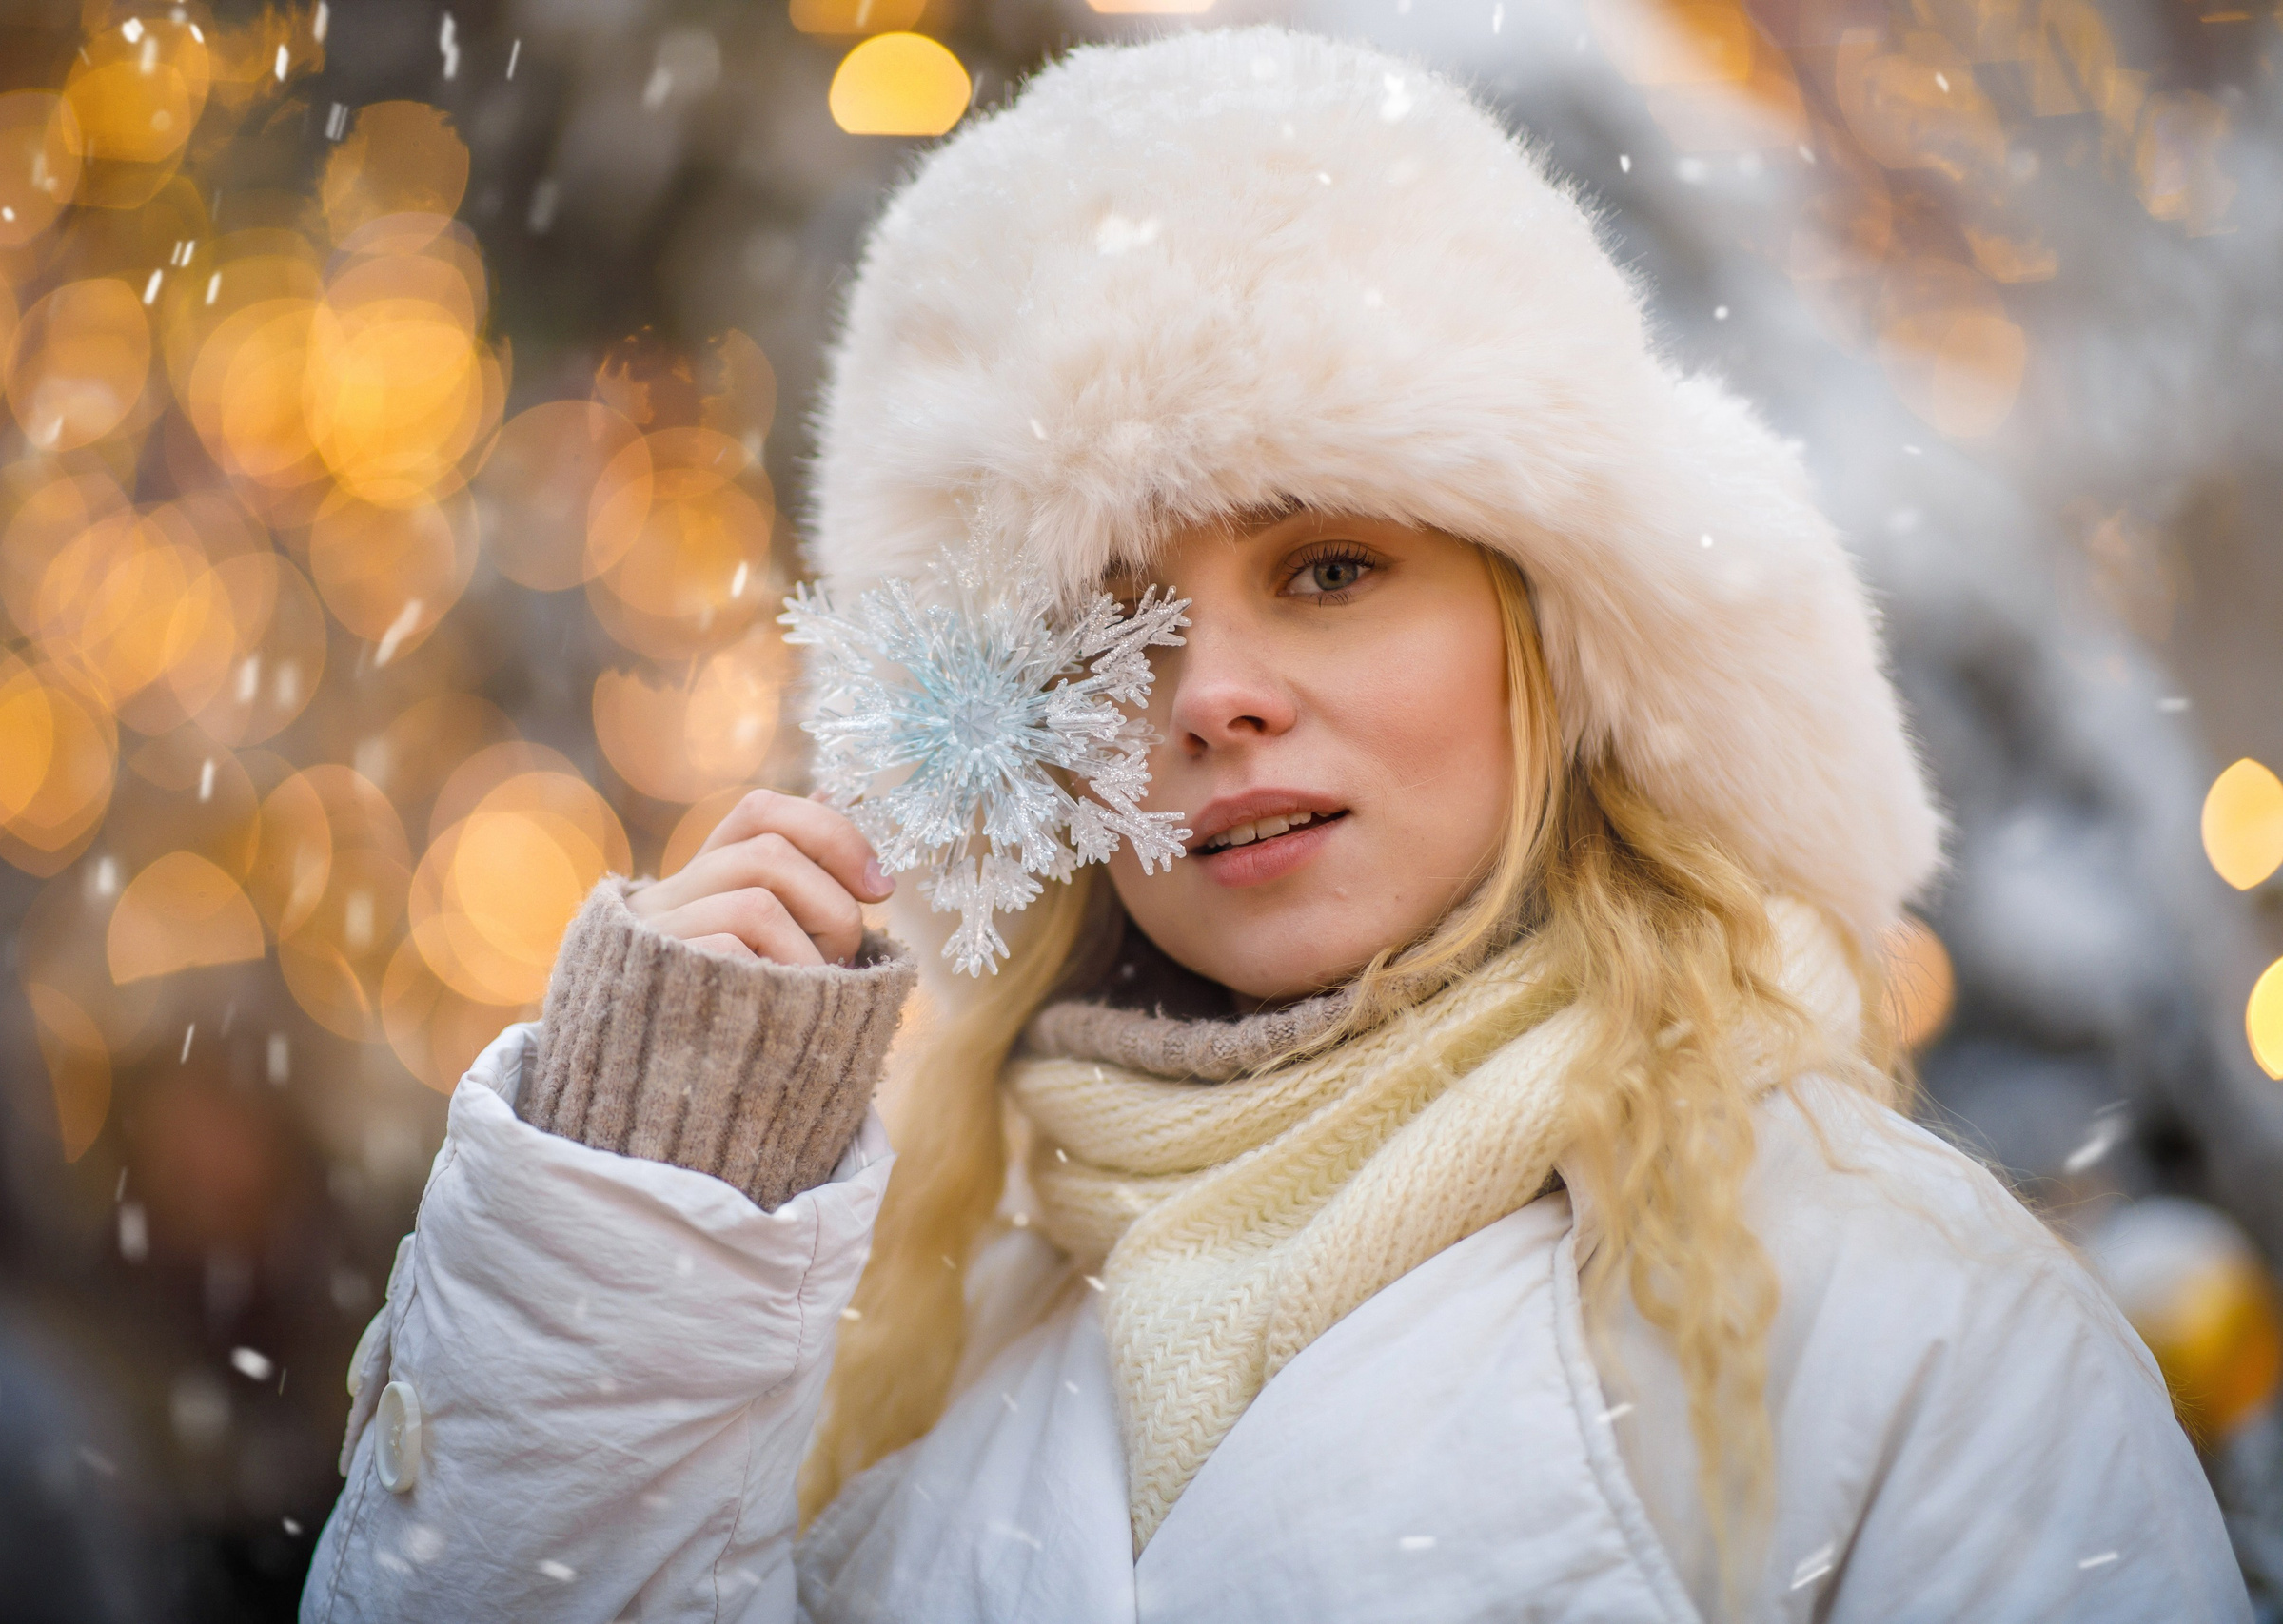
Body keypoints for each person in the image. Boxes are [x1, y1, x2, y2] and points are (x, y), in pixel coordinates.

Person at [301, 27, 2247, 1623]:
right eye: (1108, 616)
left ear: (1550, 637)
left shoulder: (1902, 1328)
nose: (1206, 690)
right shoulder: (903, 1347)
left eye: (1325, 567)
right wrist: (640, 1223)